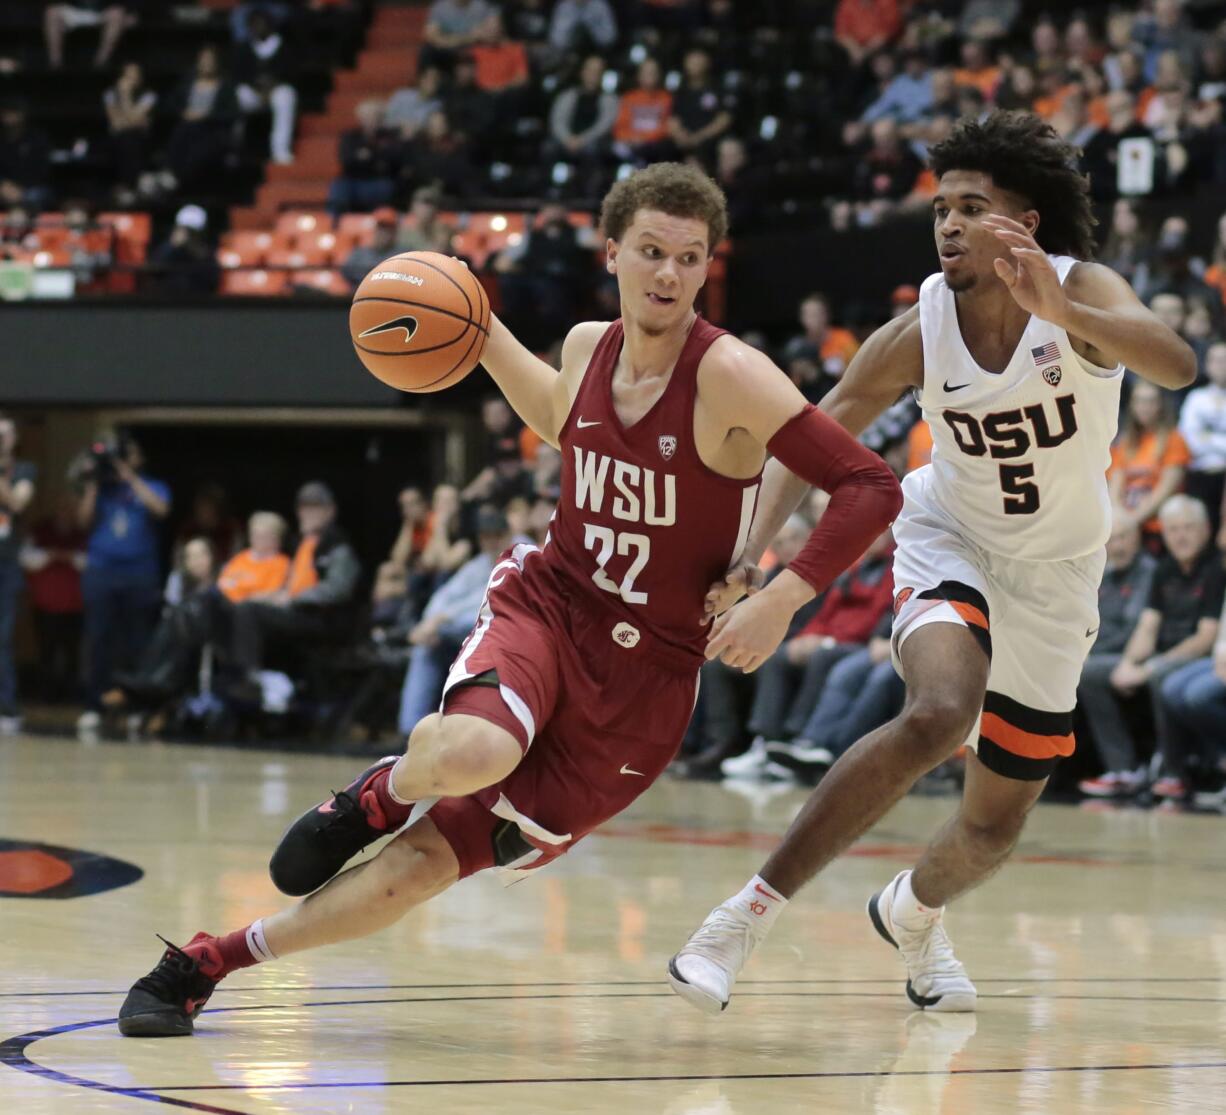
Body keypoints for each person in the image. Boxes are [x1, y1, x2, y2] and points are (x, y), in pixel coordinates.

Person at [117, 161, 902, 1037]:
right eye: (651, 251)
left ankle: (204, 962)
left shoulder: (731, 373)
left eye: (689, 257)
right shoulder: (583, 346)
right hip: (555, 604)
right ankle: (373, 799)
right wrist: (483, 331)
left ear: (708, 264)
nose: (669, 275)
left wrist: (782, 591)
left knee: (419, 871)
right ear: (612, 252)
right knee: (472, 749)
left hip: (648, 682)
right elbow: (562, 418)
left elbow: (869, 483)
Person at [669, 111, 1196, 1017]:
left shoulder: (1084, 290)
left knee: (993, 826)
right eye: (940, 207)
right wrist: (749, 553)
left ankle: (913, 914)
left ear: (1023, 223)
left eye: (972, 206)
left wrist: (1062, 313)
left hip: (1060, 576)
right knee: (939, 710)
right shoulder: (923, 325)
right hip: (950, 536)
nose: (947, 223)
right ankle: (741, 916)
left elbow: (1179, 364)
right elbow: (809, 436)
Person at [1078, 495, 1224, 803]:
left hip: (1198, 656)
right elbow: (1148, 625)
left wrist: (1148, 667)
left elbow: (1206, 637)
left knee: (1159, 674)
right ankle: (1122, 770)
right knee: (1091, 673)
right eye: (1173, 529)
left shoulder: (1215, 568)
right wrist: (1129, 663)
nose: (1180, 536)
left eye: (1188, 528)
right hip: (1161, 655)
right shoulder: (1165, 569)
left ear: (1206, 529)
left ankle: (1173, 772)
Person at [75, 434, 171, 736]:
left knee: (138, 642)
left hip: (139, 575)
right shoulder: (102, 488)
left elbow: (161, 510)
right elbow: (83, 521)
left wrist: (130, 478)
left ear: (136, 459)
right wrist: (92, 481)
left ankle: (136, 705)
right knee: (98, 640)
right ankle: (94, 705)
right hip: (102, 573)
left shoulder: (153, 485)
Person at [397, 505, 511, 733]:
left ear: (507, 534)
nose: (491, 541)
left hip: (498, 638)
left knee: (440, 635)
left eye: (496, 535)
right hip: (456, 636)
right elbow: (444, 596)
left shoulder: (521, 556)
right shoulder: (479, 564)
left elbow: (492, 605)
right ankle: (410, 734)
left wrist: (441, 621)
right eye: (486, 536)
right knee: (425, 650)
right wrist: (430, 622)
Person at [1074, 516, 1158, 797]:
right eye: (1111, 539)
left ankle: (1123, 769)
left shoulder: (1149, 572)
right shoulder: (1104, 573)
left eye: (1123, 537)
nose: (1117, 546)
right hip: (1100, 654)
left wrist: (1088, 655)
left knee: (1087, 674)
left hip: (1135, 655)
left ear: (1137, 538)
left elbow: (1136, 628)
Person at [1108, 379, 1190, 544]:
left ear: (1160, 405)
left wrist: (1131, 521)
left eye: (1151, 401)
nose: (1145, 407)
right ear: (1131, 405)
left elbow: (1165, 490)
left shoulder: (1174, 439)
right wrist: (1120, 519)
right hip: (1124, 526)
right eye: (1139, 401)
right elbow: (1115, 488)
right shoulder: (1124, 443)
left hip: (1158, 526)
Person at [0, 415, 36, 734]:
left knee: (3, 636)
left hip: (7, 563)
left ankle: (7, 706)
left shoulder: (23, 470)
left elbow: (16, 502)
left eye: (6, 433)